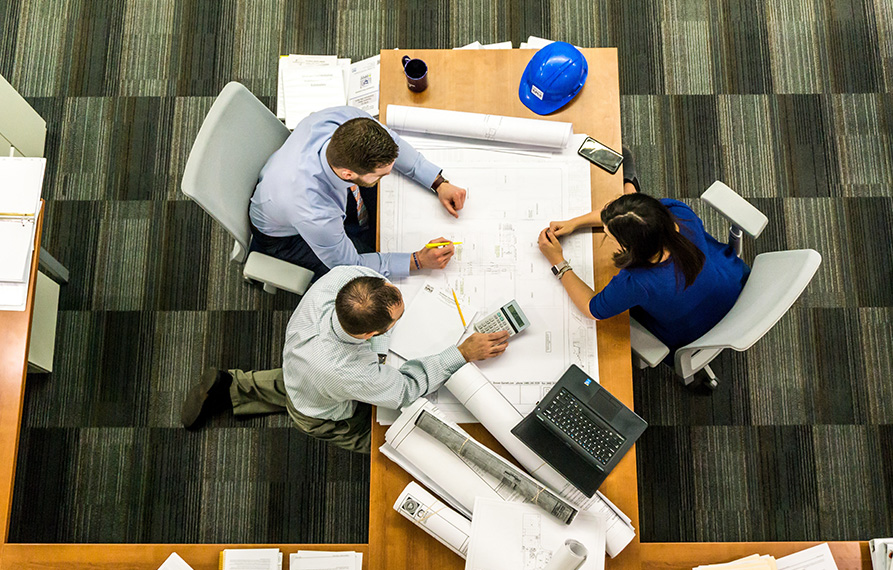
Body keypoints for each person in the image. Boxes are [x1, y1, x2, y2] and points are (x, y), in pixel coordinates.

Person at [180, 266, 510, 453]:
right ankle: (239, 391)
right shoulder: (348, 371)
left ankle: (232, 386)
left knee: (301, 382)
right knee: (390, 440)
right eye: (395, 322)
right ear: (369, 334)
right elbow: (405, 390)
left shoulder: (342, 279)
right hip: (321, 411)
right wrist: (462, 353)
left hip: (302, 365)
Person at [535, 154, 749, 366]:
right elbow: (626, 215)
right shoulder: (678, 213)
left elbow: (593, 309)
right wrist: (574, 223)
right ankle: (630, 183)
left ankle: (629, 181)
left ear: (631, 248)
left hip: (695, 331)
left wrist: (558, 261)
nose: (608, 239)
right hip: (732, 284)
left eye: (610, 237)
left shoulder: (637, 282)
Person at [249, 106, 468, 279]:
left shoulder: (346, 120)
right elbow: (350, 265)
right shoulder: (314, 211)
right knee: (367, 282)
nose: (388, 175)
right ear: (347, 174)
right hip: (285, 237)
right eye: (381, 174)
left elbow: (394, 143)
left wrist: (438, 182)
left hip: (290, 186)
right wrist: (417, 260)